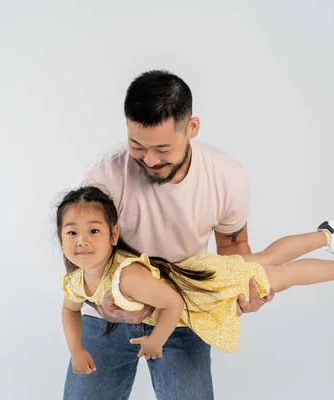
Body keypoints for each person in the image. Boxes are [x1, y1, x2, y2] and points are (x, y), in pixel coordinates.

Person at [62, 69, 259, 399]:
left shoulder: (227, 177)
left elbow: (234, 244)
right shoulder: (104, 174)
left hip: (183, 313)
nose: (149, 160)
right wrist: (105, 302)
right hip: (106, 317)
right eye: (136, 145)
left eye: (163, 148)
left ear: (191, 128)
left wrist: (243, 289)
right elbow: (80, 244)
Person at [57, 185, 334, 369]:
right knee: (266, 258)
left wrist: (157, 340)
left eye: (93, 231)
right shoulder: (76, 280)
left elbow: (171, 303)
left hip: (206, 289)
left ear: (114, 235)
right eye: (72, 232)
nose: (82, 240)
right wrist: (76, 349)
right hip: (200, 273)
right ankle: (328, 234)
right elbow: (70, 310)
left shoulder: (125, 278)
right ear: (61, 239)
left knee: (281, 275)